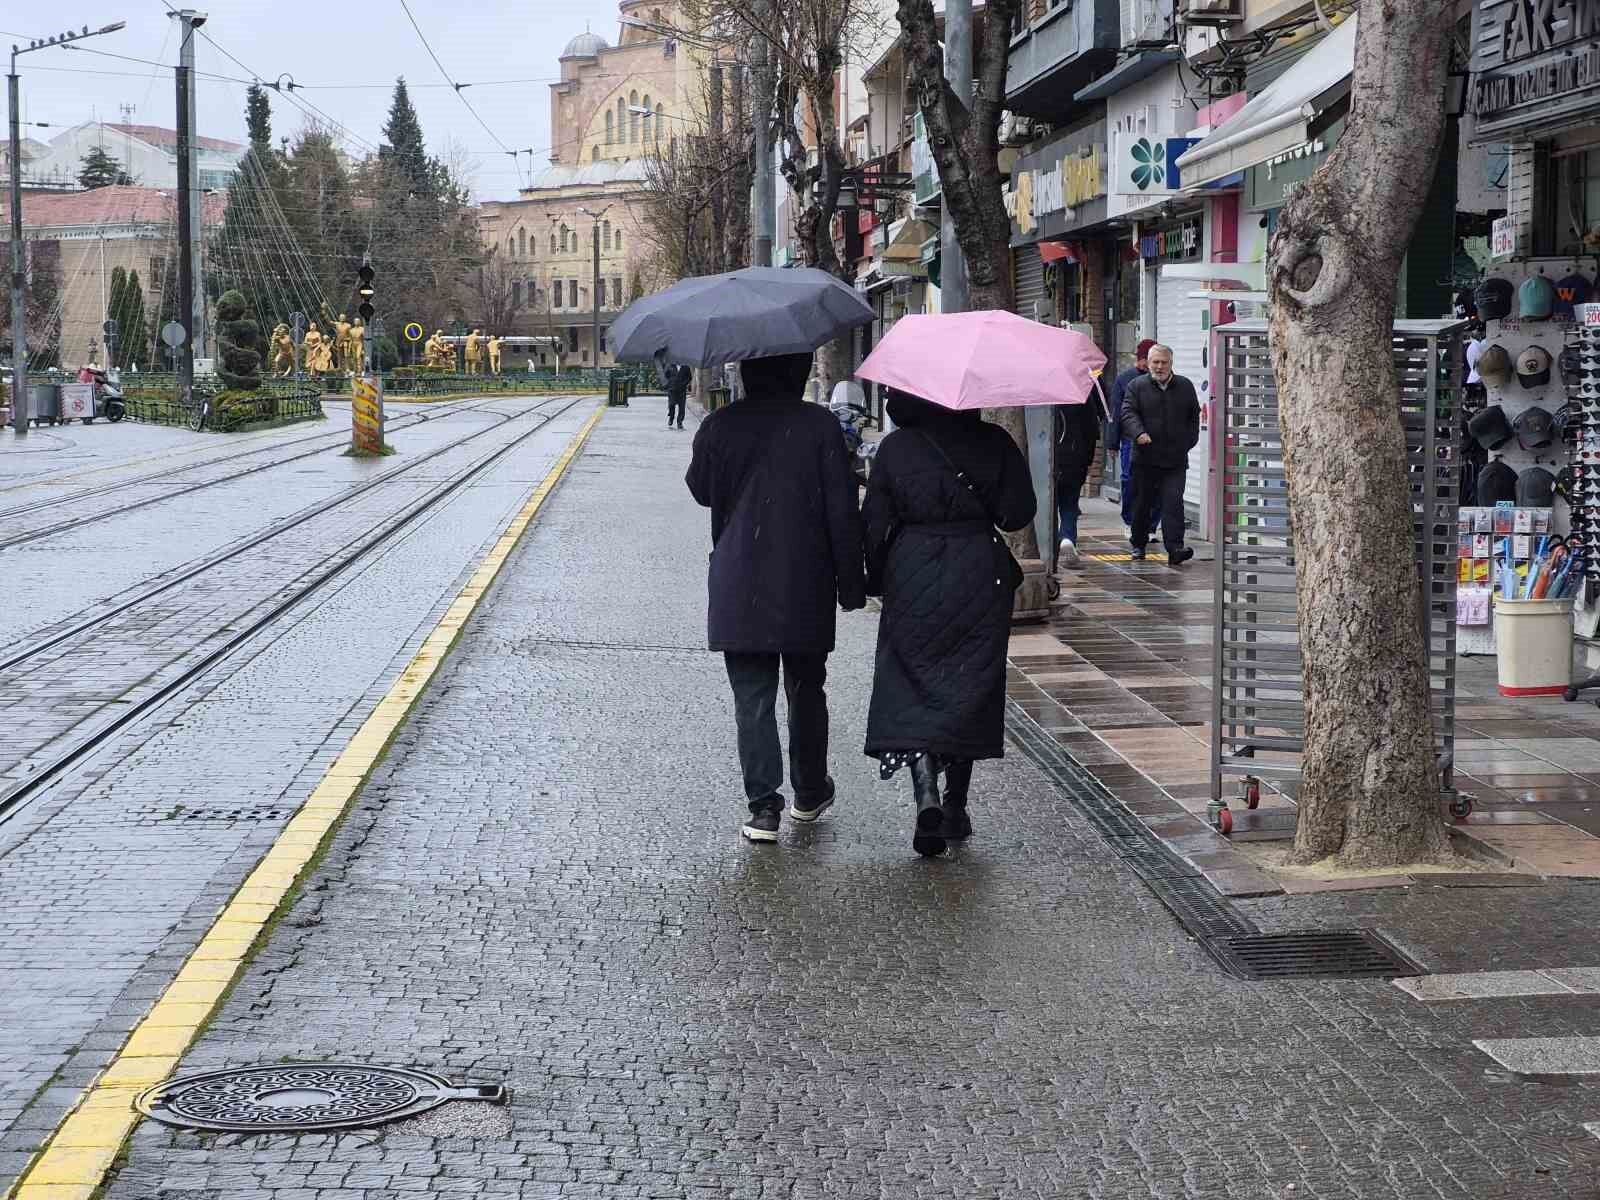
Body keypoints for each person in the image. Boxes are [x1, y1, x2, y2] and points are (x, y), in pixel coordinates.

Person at [686, 352, 866, 844]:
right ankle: (809, 792)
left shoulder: (721, 426)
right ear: (799, 370)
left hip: (738, 576)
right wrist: (852, 584)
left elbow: (700, 490)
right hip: (804, 577)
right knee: (807, 690)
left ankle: (763, 808)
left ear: (746, 372)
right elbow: (842, 511)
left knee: (753, 697)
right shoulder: (821, 428)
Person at [862, 390, 1036, 857]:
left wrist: (876, 578)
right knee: (968, 685)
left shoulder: (897, 448)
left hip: (912, 571)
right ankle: (957, 806)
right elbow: (1018, 513)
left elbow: (873, 523)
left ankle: (926, 794)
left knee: (912, 683)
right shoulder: (994, 441)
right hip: (979, 572)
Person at [1120, 343, 1199, 566]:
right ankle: (1138, 544)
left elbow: (1194, 418)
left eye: (1164, 362)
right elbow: (1127, 413)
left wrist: (1187, 443)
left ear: (1171, 363)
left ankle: (1175, 548)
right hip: (1145, 459)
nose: (1160, 366)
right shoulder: (1136, 386)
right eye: (1155, 362)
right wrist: (1139, 433)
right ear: (1148, 363)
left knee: (1173, 503)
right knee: (1142, 503)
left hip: (1174, 459)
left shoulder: (1184, 386)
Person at [1108, 338, 1156, 532]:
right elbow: (1116, 412)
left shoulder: (1161, 378)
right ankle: (1130, 521)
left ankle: (1151, 526)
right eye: (1145, 359)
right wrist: (1113, 442)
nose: (1147, 364)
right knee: (1129, 480)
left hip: (1155, 439)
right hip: (1130, 439)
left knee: (1155, 483)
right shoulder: (1124, 379)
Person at [1054, 394, 1102, 567]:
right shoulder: (1079, 392)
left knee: (1047, 504)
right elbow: (1091, 430)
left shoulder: (1040, 389)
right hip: (1074, 458)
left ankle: (1051, 542)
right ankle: (1067, 537)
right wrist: (1088, 460)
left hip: (1046, 457)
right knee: (1069, 503)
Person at [664, 362, 692, 429]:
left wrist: (684, 383)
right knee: (671, 404)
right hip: (672, 389)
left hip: (682, 390)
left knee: (681, 407)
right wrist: (669, 383)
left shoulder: (686, 367)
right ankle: (671, 417)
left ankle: (680, 422)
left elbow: (689, 377)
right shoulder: (670, 366)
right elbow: (666, 375)